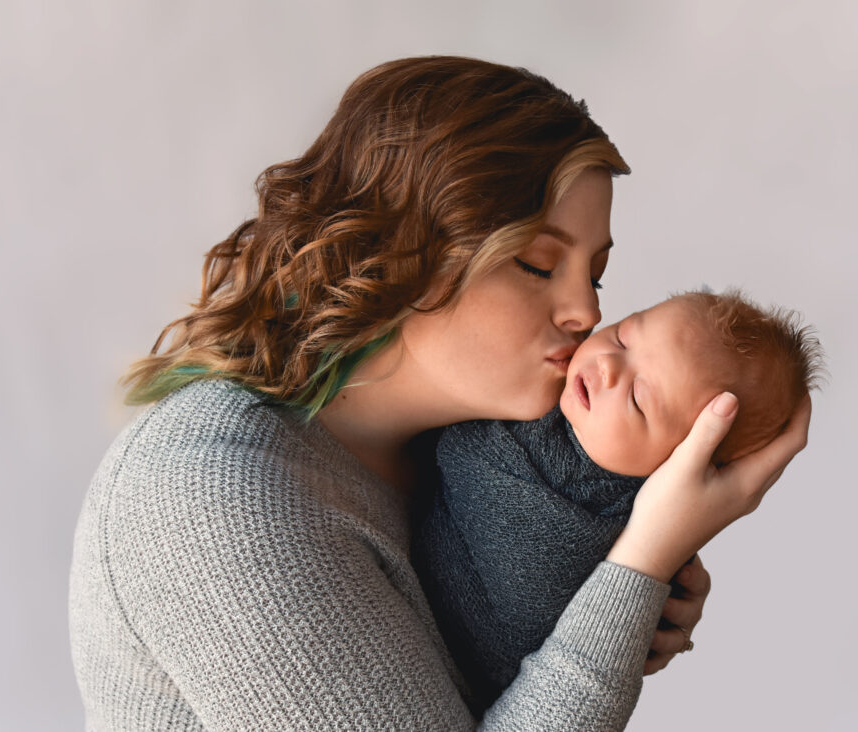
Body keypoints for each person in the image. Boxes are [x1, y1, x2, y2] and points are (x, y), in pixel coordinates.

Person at [68, 56, 811, 730]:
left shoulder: (469, 457)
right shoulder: (215, 497)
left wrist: (622, 595)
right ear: (401, 251)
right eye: (536, 263)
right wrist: (641, 563)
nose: (586, 313)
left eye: (597, 273)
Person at [413, 289, 824, 711]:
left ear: (682, 465)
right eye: (623, 338)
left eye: (637, 399)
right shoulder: (528, 387)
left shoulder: (642, 531)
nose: (606, 366)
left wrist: (647, 581)